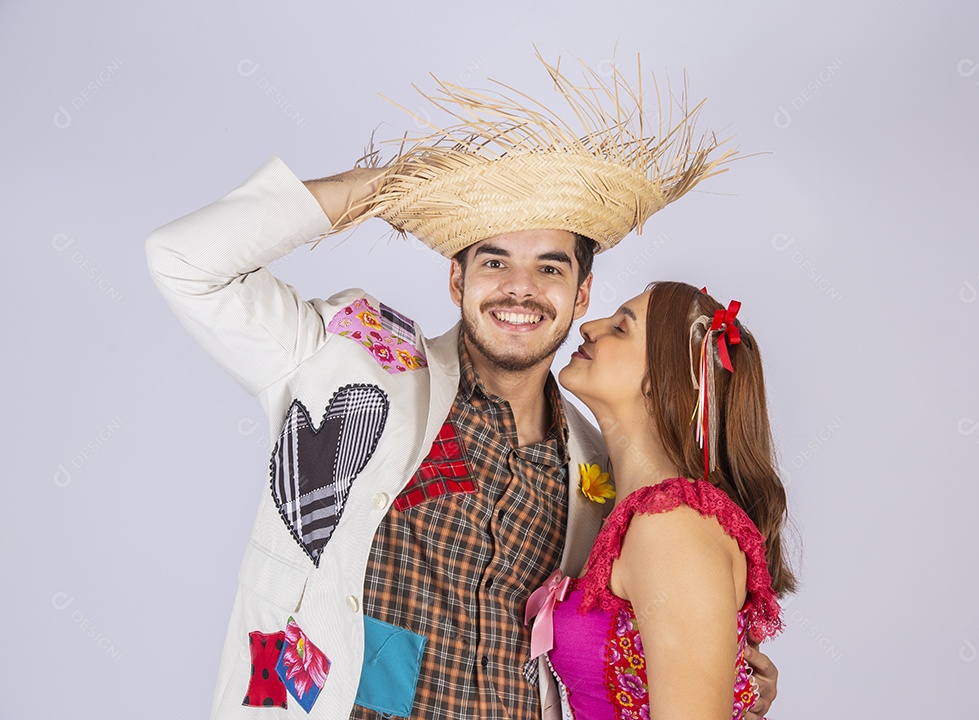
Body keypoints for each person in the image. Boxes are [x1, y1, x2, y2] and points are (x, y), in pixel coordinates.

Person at [145, 53, 781, 719]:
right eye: (495, 260)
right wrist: (383, 188)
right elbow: (186, 262)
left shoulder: (603, 470)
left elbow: (643, 630)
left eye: (550, 269)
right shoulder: (356, 359)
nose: (520, 289)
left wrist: (725, 676)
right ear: (457, 280)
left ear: (581, 291)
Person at [526, 282, 795, 719]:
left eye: (620, 328)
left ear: (660, 380)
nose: (589, 327)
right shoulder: (626, 509)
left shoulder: (671, 525)